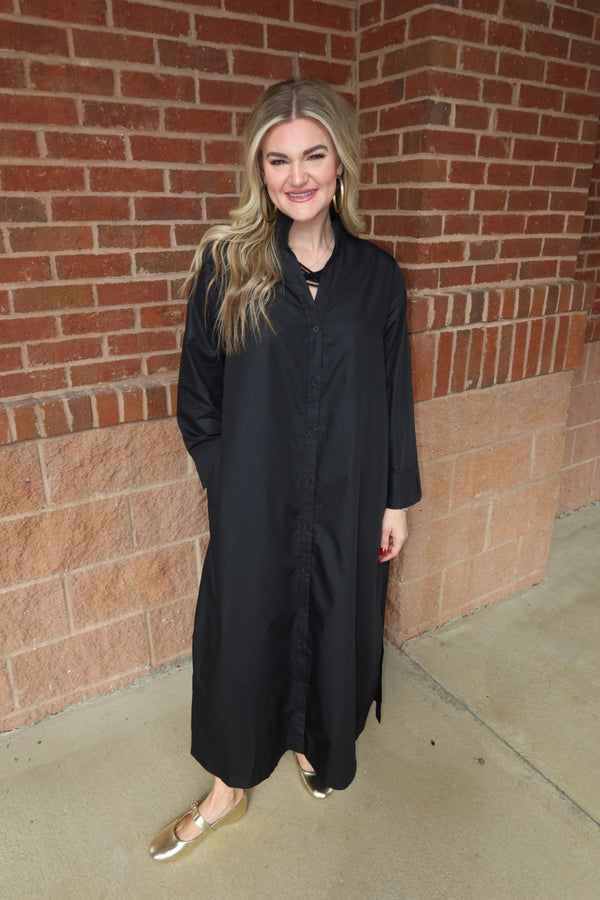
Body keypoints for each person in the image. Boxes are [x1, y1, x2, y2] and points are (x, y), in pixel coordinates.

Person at [149, 77, 421, 862]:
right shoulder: (227, 269)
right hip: (254, 504)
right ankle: (228, 787)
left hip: (350, 499)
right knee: (241, 635)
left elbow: (394, 395)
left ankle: (315, 743)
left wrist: (395, 501)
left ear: (342, 164)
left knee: (338, 625)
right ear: (258, 172)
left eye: (313, 155)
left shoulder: (377, 279)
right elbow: (198, 398)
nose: (296, 176)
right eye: (277, 160)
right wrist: (228, 482)